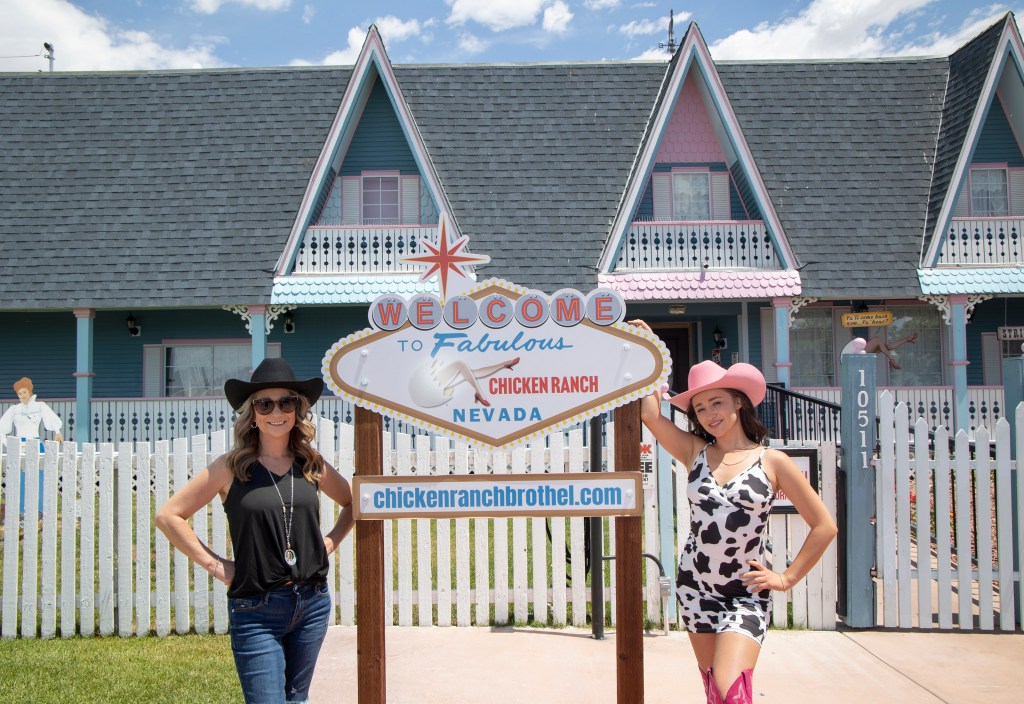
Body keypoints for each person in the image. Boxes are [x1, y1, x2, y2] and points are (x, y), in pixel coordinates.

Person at [630, 320, 837, 704]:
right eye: (700, 407)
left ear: (739, 401)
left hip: (744, 592)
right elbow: (650, 416)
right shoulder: (695, 453)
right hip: (695, 587)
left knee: (730, 691)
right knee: (714, 689)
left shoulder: (773, 461)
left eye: (717, 402)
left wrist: (787, 578)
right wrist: (652, 349)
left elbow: (824, 526)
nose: (709, 414)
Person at [156, 358, 353, 704]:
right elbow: (169, 516)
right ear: (252, 413)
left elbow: (354, 504)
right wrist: (217, 565)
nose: (276, 411)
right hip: (256, 609)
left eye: (286, 402)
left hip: (312, 604)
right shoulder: (231, 467)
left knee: (297, 700)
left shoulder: (311, 463)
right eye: (265, 403)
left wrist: (330, 542)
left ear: (297, 410)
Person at [0, 377, 63, 450]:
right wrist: (8, 445)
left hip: (36, 443)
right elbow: (1, 429)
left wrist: (57, 432)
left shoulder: (40, 406)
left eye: (24, 392)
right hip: (20, 445)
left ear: (29, 392)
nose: (23, 395)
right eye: (20, 393)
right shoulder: (14, 409)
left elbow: (52, 419)